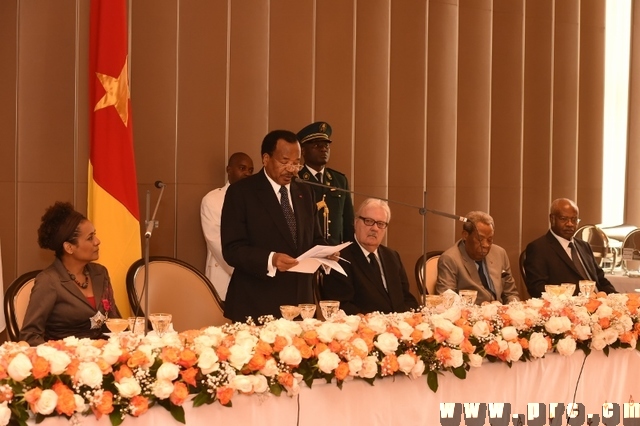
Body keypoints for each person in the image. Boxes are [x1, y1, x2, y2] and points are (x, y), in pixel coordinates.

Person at [221, 130, 329, 322]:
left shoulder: (305, 191)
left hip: (300, 305)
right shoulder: (242, 192)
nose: (291, 169)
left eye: (296, 162)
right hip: (257, 303)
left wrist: (326, 253)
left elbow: (315, 238)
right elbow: (232, 249)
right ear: (265, 158)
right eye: (284, 161)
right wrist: (271, 259)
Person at [21, 202, 121, 346]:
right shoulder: (49, 281)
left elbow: (114, 322)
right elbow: (29, 337)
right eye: (90, 237)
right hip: (69, 361)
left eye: (95, 235)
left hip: (106, 359)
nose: (97, 241)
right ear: (69, 247)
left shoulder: (100, 273)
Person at [321, 198, 419, 315]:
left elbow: (407, 298)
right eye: (368, 221)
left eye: (380, 224)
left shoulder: (392, 256)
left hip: (397, 327)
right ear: (356, 222)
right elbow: (342, 306)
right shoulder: (340, 258)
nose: (374, 228)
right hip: (363, 327)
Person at [524, 198, 617, 297]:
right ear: (552, 219)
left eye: (574, 220)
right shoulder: (539, 248)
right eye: (563, 219)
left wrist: (617, 297)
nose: (570, 224)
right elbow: (537, 289)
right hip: (569, 307)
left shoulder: (584, 246)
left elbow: (601, 280)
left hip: (600, 304)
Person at [436, 211, 520, 305]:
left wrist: (514, 307)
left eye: (490, 239)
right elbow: (447, 299)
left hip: (501, 313)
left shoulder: (500, 253)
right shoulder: (450, 259)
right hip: (472, 314)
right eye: (480, 239)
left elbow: (511, 293)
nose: (486, 245)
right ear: (465, 235)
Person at [200, 152, 254, 300]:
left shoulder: (254, 200)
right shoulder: (212, 200)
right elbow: (216, 241)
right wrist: (247, 269)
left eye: (250, 170)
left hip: (253, 277)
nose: (247, 174)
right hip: (225, 275)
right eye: (242, 168)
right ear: (229, 170)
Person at [296, 122, 354, 245]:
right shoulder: (297, 180)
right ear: (303, 151)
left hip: (336, 253)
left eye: (326, 146)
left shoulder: (339, 180)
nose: (323, 149)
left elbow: (348, 221)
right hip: (308, 251)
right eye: (317, 145)